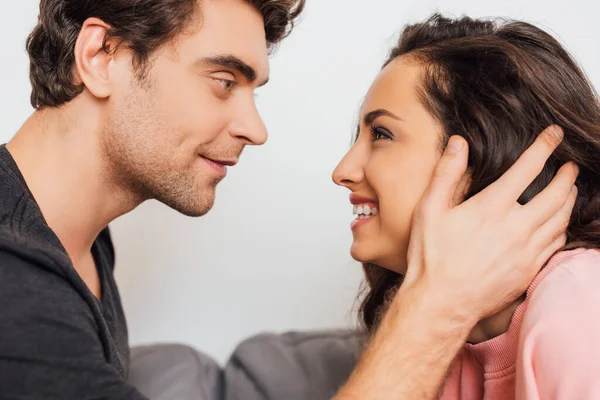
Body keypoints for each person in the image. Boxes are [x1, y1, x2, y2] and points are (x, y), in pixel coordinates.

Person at [0, 0, 577, 398]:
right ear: (102, 55)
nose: (256, 128)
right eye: (224, 81)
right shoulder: (13, 281)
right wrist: (439, 304)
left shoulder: (80, 248)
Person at [333, 14, 599, 399]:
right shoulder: (439, 346)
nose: (342, 171)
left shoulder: (580, 306)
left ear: (483, 156)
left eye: (382, 134)